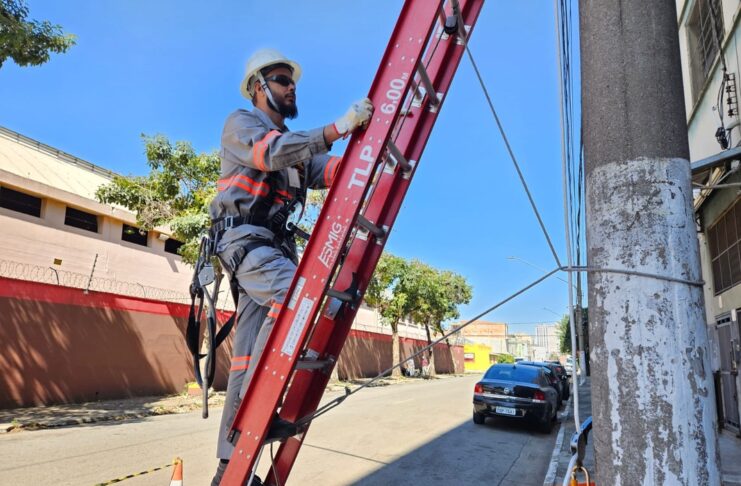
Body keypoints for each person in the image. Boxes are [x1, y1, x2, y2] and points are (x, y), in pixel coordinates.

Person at [208, 48, 373, 485]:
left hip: (271, 249)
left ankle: (230, 463)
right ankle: (260, 409)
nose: (291, 86)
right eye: (281, 80)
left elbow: (334, 168)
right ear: (258, 89)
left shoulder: (299, 153)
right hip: (245, 242)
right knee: (295, 299)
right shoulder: (241, 124)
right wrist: (338, 128)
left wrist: (370, 144)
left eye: (291, 80)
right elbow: (271, 154)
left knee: (244, 357)